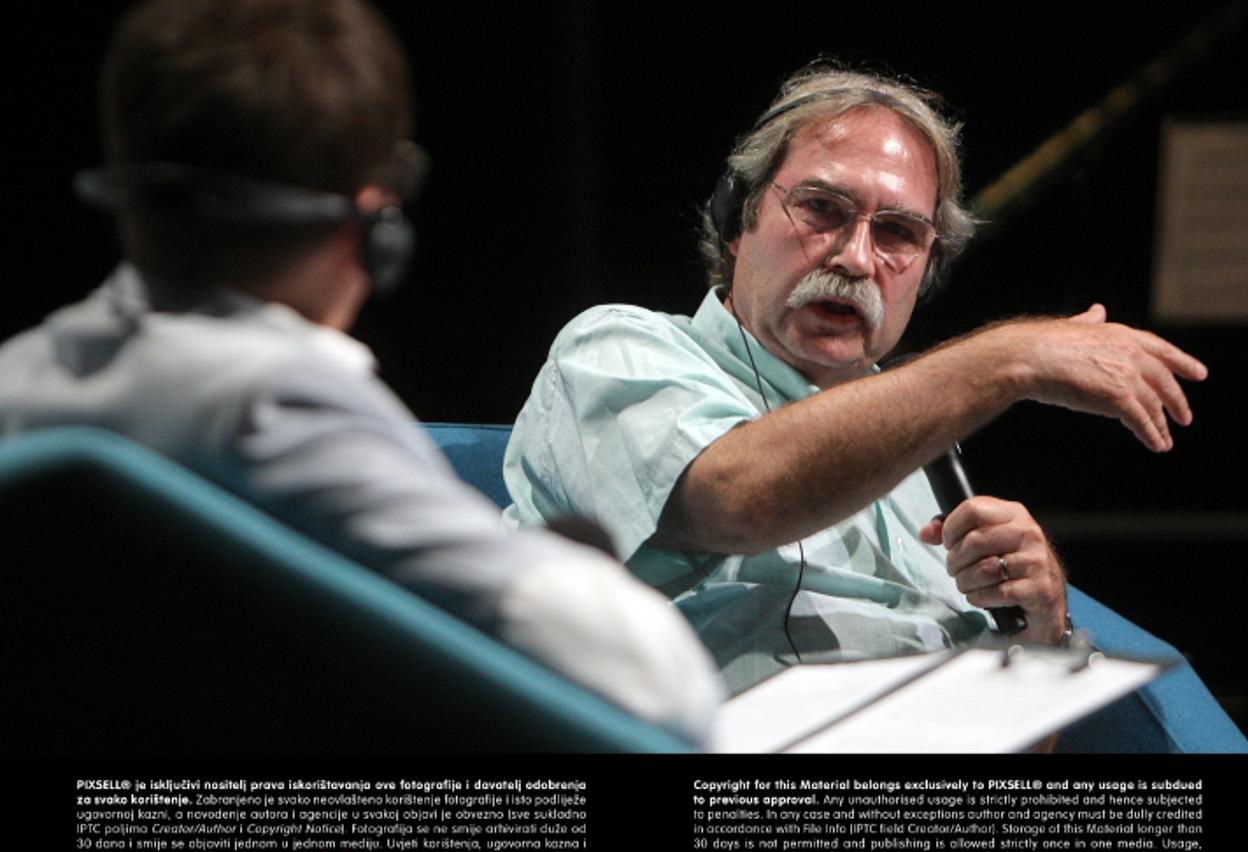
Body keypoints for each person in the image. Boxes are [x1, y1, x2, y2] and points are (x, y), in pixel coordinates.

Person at [0, 0, 723, 744]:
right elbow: (659, 685)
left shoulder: (17, 378)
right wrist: (581, 582)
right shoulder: (278, 412)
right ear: (375, 223)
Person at [502, 62, 1211, 695]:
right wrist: (1007, 358)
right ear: (737, 218)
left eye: (897, 232)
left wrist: (1041, 634)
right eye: (822, 208)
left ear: (927, 272)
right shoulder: (617, 347)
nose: (856, 258)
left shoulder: (922, 462)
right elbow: (737, 498)